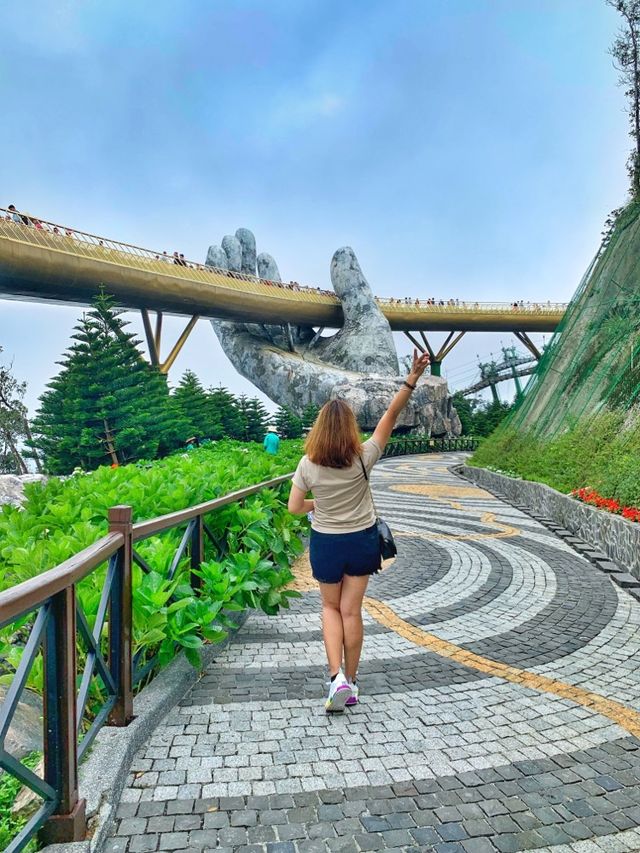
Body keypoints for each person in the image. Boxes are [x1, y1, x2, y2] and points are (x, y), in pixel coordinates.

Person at [288, 349, 431, 712]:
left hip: (326, 544)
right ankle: (350, 683)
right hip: (362, 541)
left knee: (329, 608)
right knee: (352, 612)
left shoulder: (307, 464)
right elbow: (391, 414)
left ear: (319, 429)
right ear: (350, 428)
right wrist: (412, 377)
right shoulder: (364, 455)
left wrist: (317, 505)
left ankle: (334, 676)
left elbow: (293, 508)